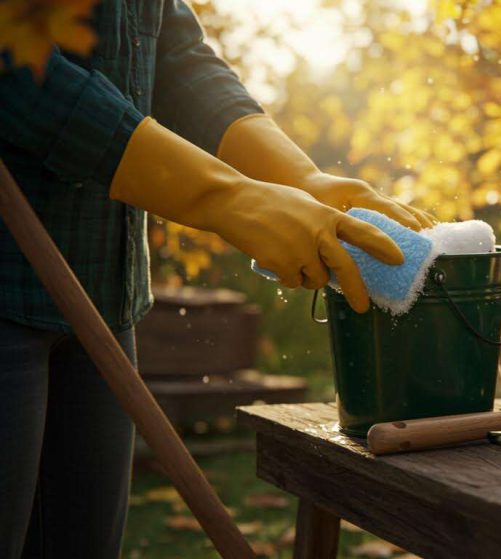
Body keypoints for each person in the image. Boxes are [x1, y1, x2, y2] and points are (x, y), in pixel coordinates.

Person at [0, 1, 433, 556]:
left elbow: (173, 56)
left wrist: (299, 176)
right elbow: (18, 67)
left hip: (102, 295)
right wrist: (228, 198)